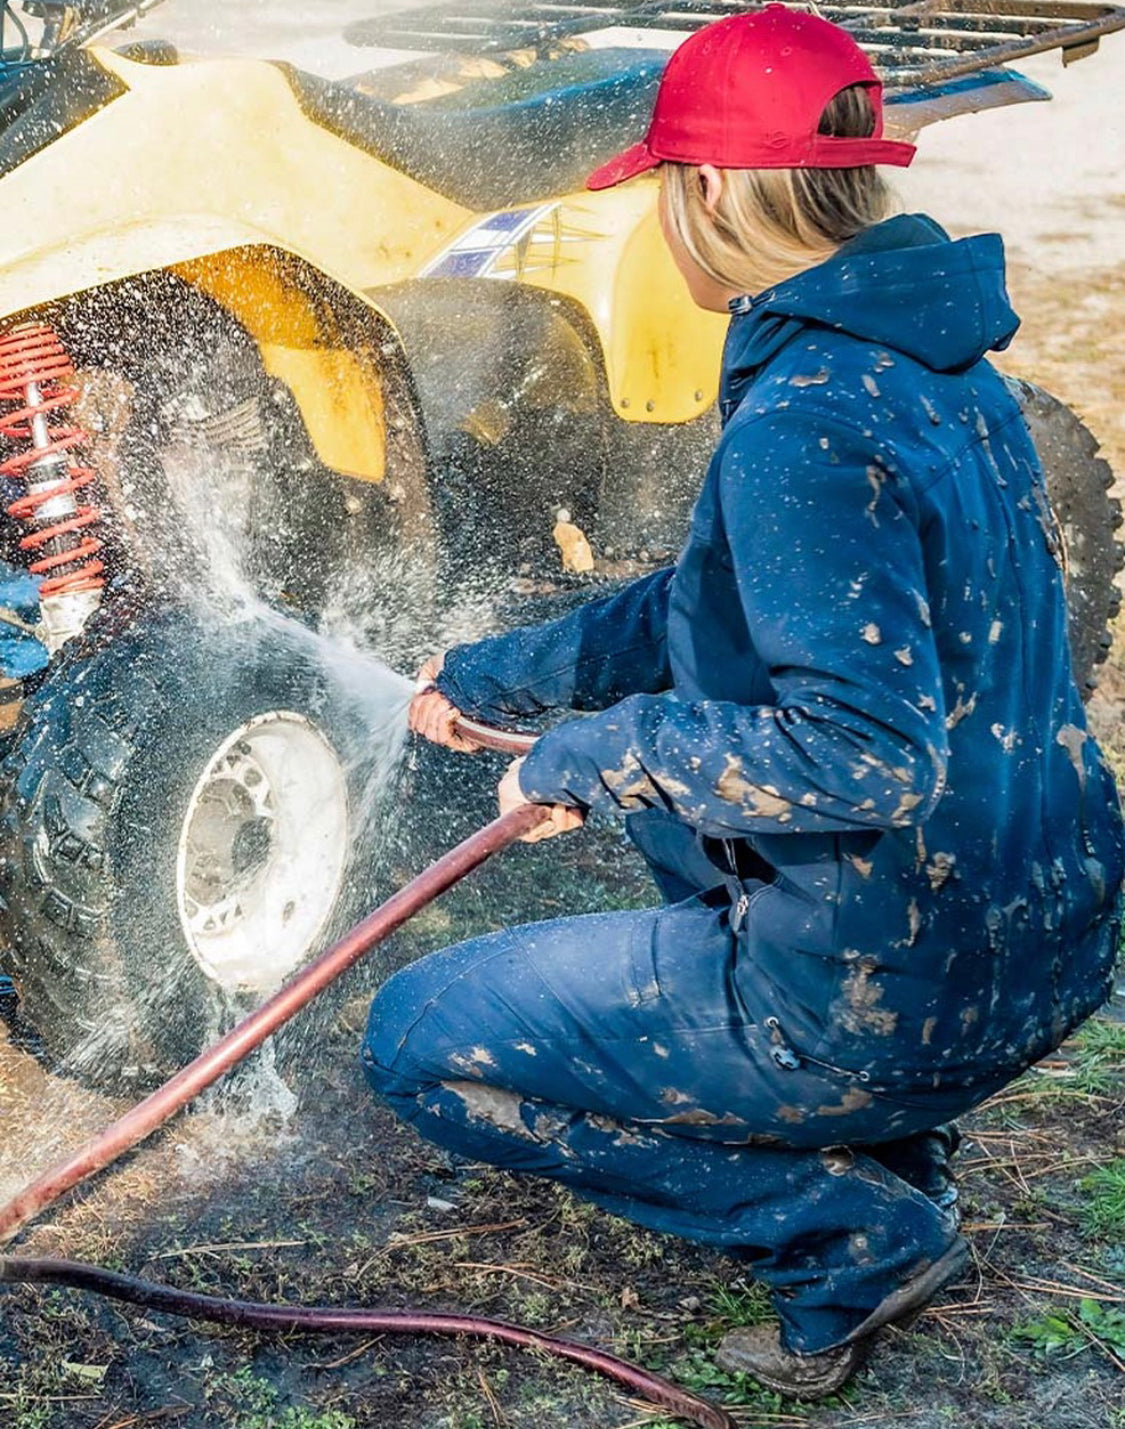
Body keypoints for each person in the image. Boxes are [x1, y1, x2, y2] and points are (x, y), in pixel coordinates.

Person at [362, 5, 1125, 1398]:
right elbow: (708, 610)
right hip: (1045, 942)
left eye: (660, 188)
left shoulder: (802, 422)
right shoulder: (941, 368)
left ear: (708, 187)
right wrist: (494, 680)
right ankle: (893, 1136)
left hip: (893, 993)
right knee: (676, 823)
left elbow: (858, 754)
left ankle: (852, 1226)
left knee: (416, 1042)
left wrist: (588, 754)